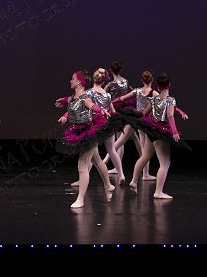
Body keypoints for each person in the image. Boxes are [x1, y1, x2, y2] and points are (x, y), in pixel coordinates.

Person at [56, 70, 116, 208]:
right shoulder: (74, 97)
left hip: (88, 132)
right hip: (78, 131)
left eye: (72, 79)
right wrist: (64, 114)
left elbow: (91, 105)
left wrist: (101, 110)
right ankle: (108, 186)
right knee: (97, 160)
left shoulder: (85, 97)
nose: (70, 81)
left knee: (82, 166)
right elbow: (70, 102)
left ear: (79, 82)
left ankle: (80, 199)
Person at [126, 73, 190, 199]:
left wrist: (145, 122)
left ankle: (133, 181)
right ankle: (158, 192)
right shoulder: (170, 100)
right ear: (169, 85)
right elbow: (170, 116)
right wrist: (175, 132)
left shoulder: (154, 99)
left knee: (145, 156)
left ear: (158, 86)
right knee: (165, 163)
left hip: (152, 130)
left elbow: (145, 113)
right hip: (160, 133)